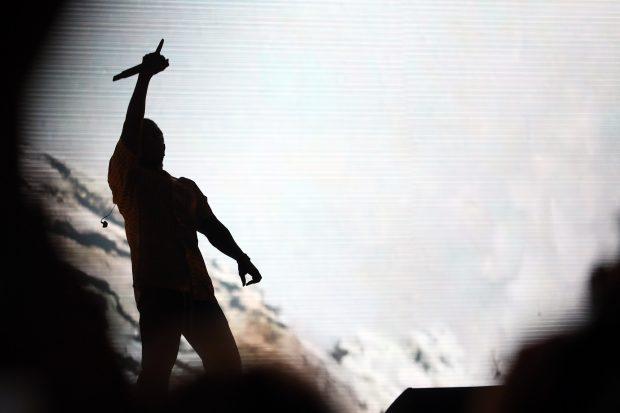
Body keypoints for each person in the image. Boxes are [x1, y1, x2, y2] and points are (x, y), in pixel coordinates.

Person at [108, 48, 262, 402]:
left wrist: (241, 256)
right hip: (159, 290)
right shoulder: (129, 181)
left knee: (228, 370)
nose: (157, 141)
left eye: (159, 137)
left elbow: (212, 227)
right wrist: (144, 78)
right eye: (148, 136)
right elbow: (130, 131)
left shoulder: (185, 187)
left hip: (199, 293)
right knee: (157, 373)